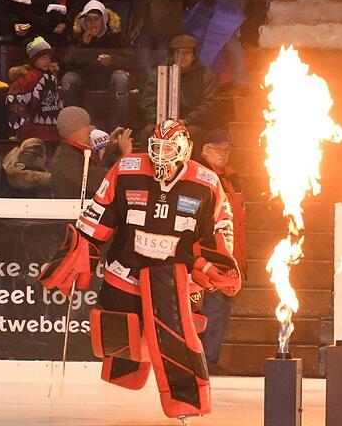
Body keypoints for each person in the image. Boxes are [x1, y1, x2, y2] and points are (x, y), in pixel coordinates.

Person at [38, 119, 242, 420]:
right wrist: (80, 249)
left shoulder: (207, 182)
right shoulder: (126, 169)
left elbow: (222, 227)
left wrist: (214, 264)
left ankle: (186, 404)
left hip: (176, 276)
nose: (161, 155)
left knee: (176, 338)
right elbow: (99, 212)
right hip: (126, 269)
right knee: (117, 337)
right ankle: (127, 372)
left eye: (169, 148)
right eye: (156, 148)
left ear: (184, 150)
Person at [194, 129, 246, 375]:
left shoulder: (230, 179)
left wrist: (238, 263)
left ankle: (209, 359)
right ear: (204, 150)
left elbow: (237, 226)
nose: (225, 154)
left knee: (222, 312)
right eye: (219, 149)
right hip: (210, 258)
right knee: (212, 310)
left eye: (228, 149)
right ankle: (205, 361)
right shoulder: (199, 177)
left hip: (228, 257)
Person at [61, 0, 134, 131]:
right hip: (84, 80)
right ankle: (73, 127)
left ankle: (118, 128)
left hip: (109, 79)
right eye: (88, 20)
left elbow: (131, 59)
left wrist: (112, 60)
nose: (91, 23)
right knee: (69, 78)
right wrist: (82, 44)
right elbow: (65, 62)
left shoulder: (114, 34)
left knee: (121, 77)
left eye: (96, 19)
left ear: (104, 19)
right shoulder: (77, 34)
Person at [140, 34, 219, 151]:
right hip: (162, 121)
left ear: (193, 56)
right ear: (173, 55)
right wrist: (162, 122)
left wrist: (186, 121)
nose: (182, 57)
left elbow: (209, 104)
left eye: (187, 53)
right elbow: (148, 102)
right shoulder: (159, 72)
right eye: (178, 53)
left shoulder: (205, 74)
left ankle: (191, 168)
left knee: (193, 134)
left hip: (191, 123)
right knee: (148, 132)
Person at [49, 106, 133, 198]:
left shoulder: (72, 153)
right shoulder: (68, 160)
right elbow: (105, 183)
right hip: (75, 211)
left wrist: (111, 148)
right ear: (75, 129)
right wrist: (125, 158)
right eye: (86, 125)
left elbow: (100, 172)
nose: (91, 129)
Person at [7, 36, 64, 143]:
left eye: (48, 58)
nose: (47, 61)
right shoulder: (29, 77)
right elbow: (14, 97)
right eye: (43, 58)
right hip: (35, 130)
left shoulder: (52, 77)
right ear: (34, 59)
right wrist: (22, 122)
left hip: (53, 128)